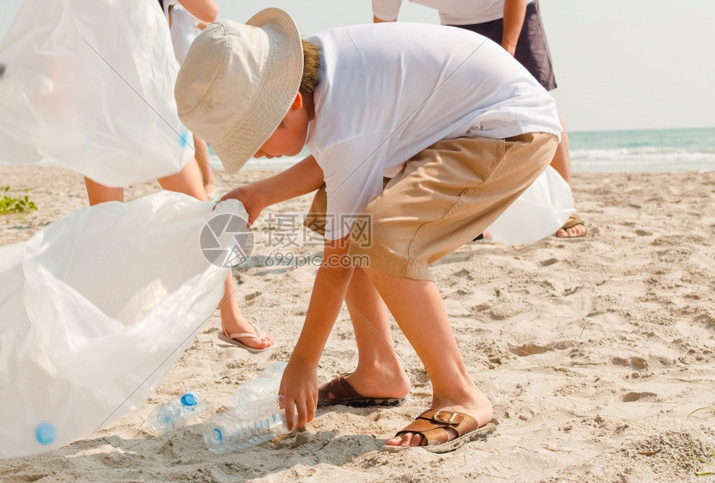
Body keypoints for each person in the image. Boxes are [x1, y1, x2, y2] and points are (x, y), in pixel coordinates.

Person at [174, 8, 561, 450]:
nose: (257, 153)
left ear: (291, 104)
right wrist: (259, 194)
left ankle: (461, 393)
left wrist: (303, 361)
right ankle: (377, 366)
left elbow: (340, 248)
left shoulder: (343, 107)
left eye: (255, 139)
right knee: (338, 212)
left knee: (379, 236)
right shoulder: (315, 71)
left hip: (507, 129)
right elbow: (334, 158)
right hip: (449, 129)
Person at [84, 0, 274, 353]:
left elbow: (206, 14)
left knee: (112, 224)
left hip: (116, 107)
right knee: (198, 219)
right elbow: (209, 11)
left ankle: (231, 319)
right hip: (123, 106)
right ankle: (231, 320)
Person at [372, 0, 586, 238]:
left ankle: (567, 210)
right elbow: (383, 39)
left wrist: (507, 50)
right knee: (467, 114)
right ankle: (474, 219)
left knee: (538, 103)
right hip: (458, 28)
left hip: (512, 12)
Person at [161, 0, 218, 199]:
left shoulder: (183, 14)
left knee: (191, 129)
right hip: (166, 80)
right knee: (177, 132)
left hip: (191, 77)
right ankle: (198, 184)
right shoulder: (150, 13)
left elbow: (211, 21)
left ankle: (208, 181)